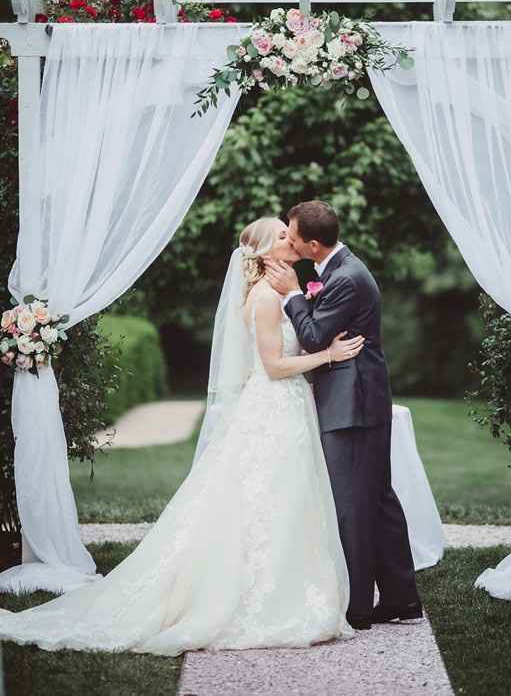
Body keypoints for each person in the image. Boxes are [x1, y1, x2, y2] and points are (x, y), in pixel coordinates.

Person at [0, 217, 365, 655]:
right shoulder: (266, 298)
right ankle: (262, 597)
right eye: (283, 236)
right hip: (275, 407)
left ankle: (280, 585)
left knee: (279, 502)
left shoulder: (273, 294)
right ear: (266, 252)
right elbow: (273, 367)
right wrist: (328, 354)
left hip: (283, 409)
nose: (292, 240)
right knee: (271, 499)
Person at [265, 201, 422, 630]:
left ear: (313, 244)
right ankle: (402, 599)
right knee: (376, 498)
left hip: (351, 404)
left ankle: (358, 607)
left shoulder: (346, 279)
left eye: (293, 236)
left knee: (353, 504)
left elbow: (314, 337)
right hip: (359, 398)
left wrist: (293, 296)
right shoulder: (340, 269)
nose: (290, 241)